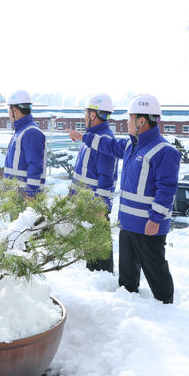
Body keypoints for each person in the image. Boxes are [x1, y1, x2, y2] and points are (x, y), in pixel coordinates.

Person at [69, 94, 180, 302]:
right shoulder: (131, 145)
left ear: (141, 121)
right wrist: (83, 137)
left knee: (156, 272)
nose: (126, 122)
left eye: (130, 119)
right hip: (128, 223)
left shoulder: (164, 151)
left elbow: (167, 189)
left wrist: (155, 218)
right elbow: (108, 146)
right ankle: (130, 308)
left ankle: (168, 310)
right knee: (127, 278)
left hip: (148, 226)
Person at [70, 93, 119, 272]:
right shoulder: (90, 137)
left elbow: (107, 178)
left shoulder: (104, 139)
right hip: (85, 206)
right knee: (90, 253)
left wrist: (100, 207)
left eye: (86, 113)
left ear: (93, 115)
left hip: (94, 208)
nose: (84, 116)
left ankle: (103, 285)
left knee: (100, 255)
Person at [3, 89, 46, 196]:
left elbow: (35, 165)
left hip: (24, 196)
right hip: (16, 194)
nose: (8, 113)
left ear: (15, 110)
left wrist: (30, 195)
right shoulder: (22, 131)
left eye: (9, 109)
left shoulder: (31, 132)